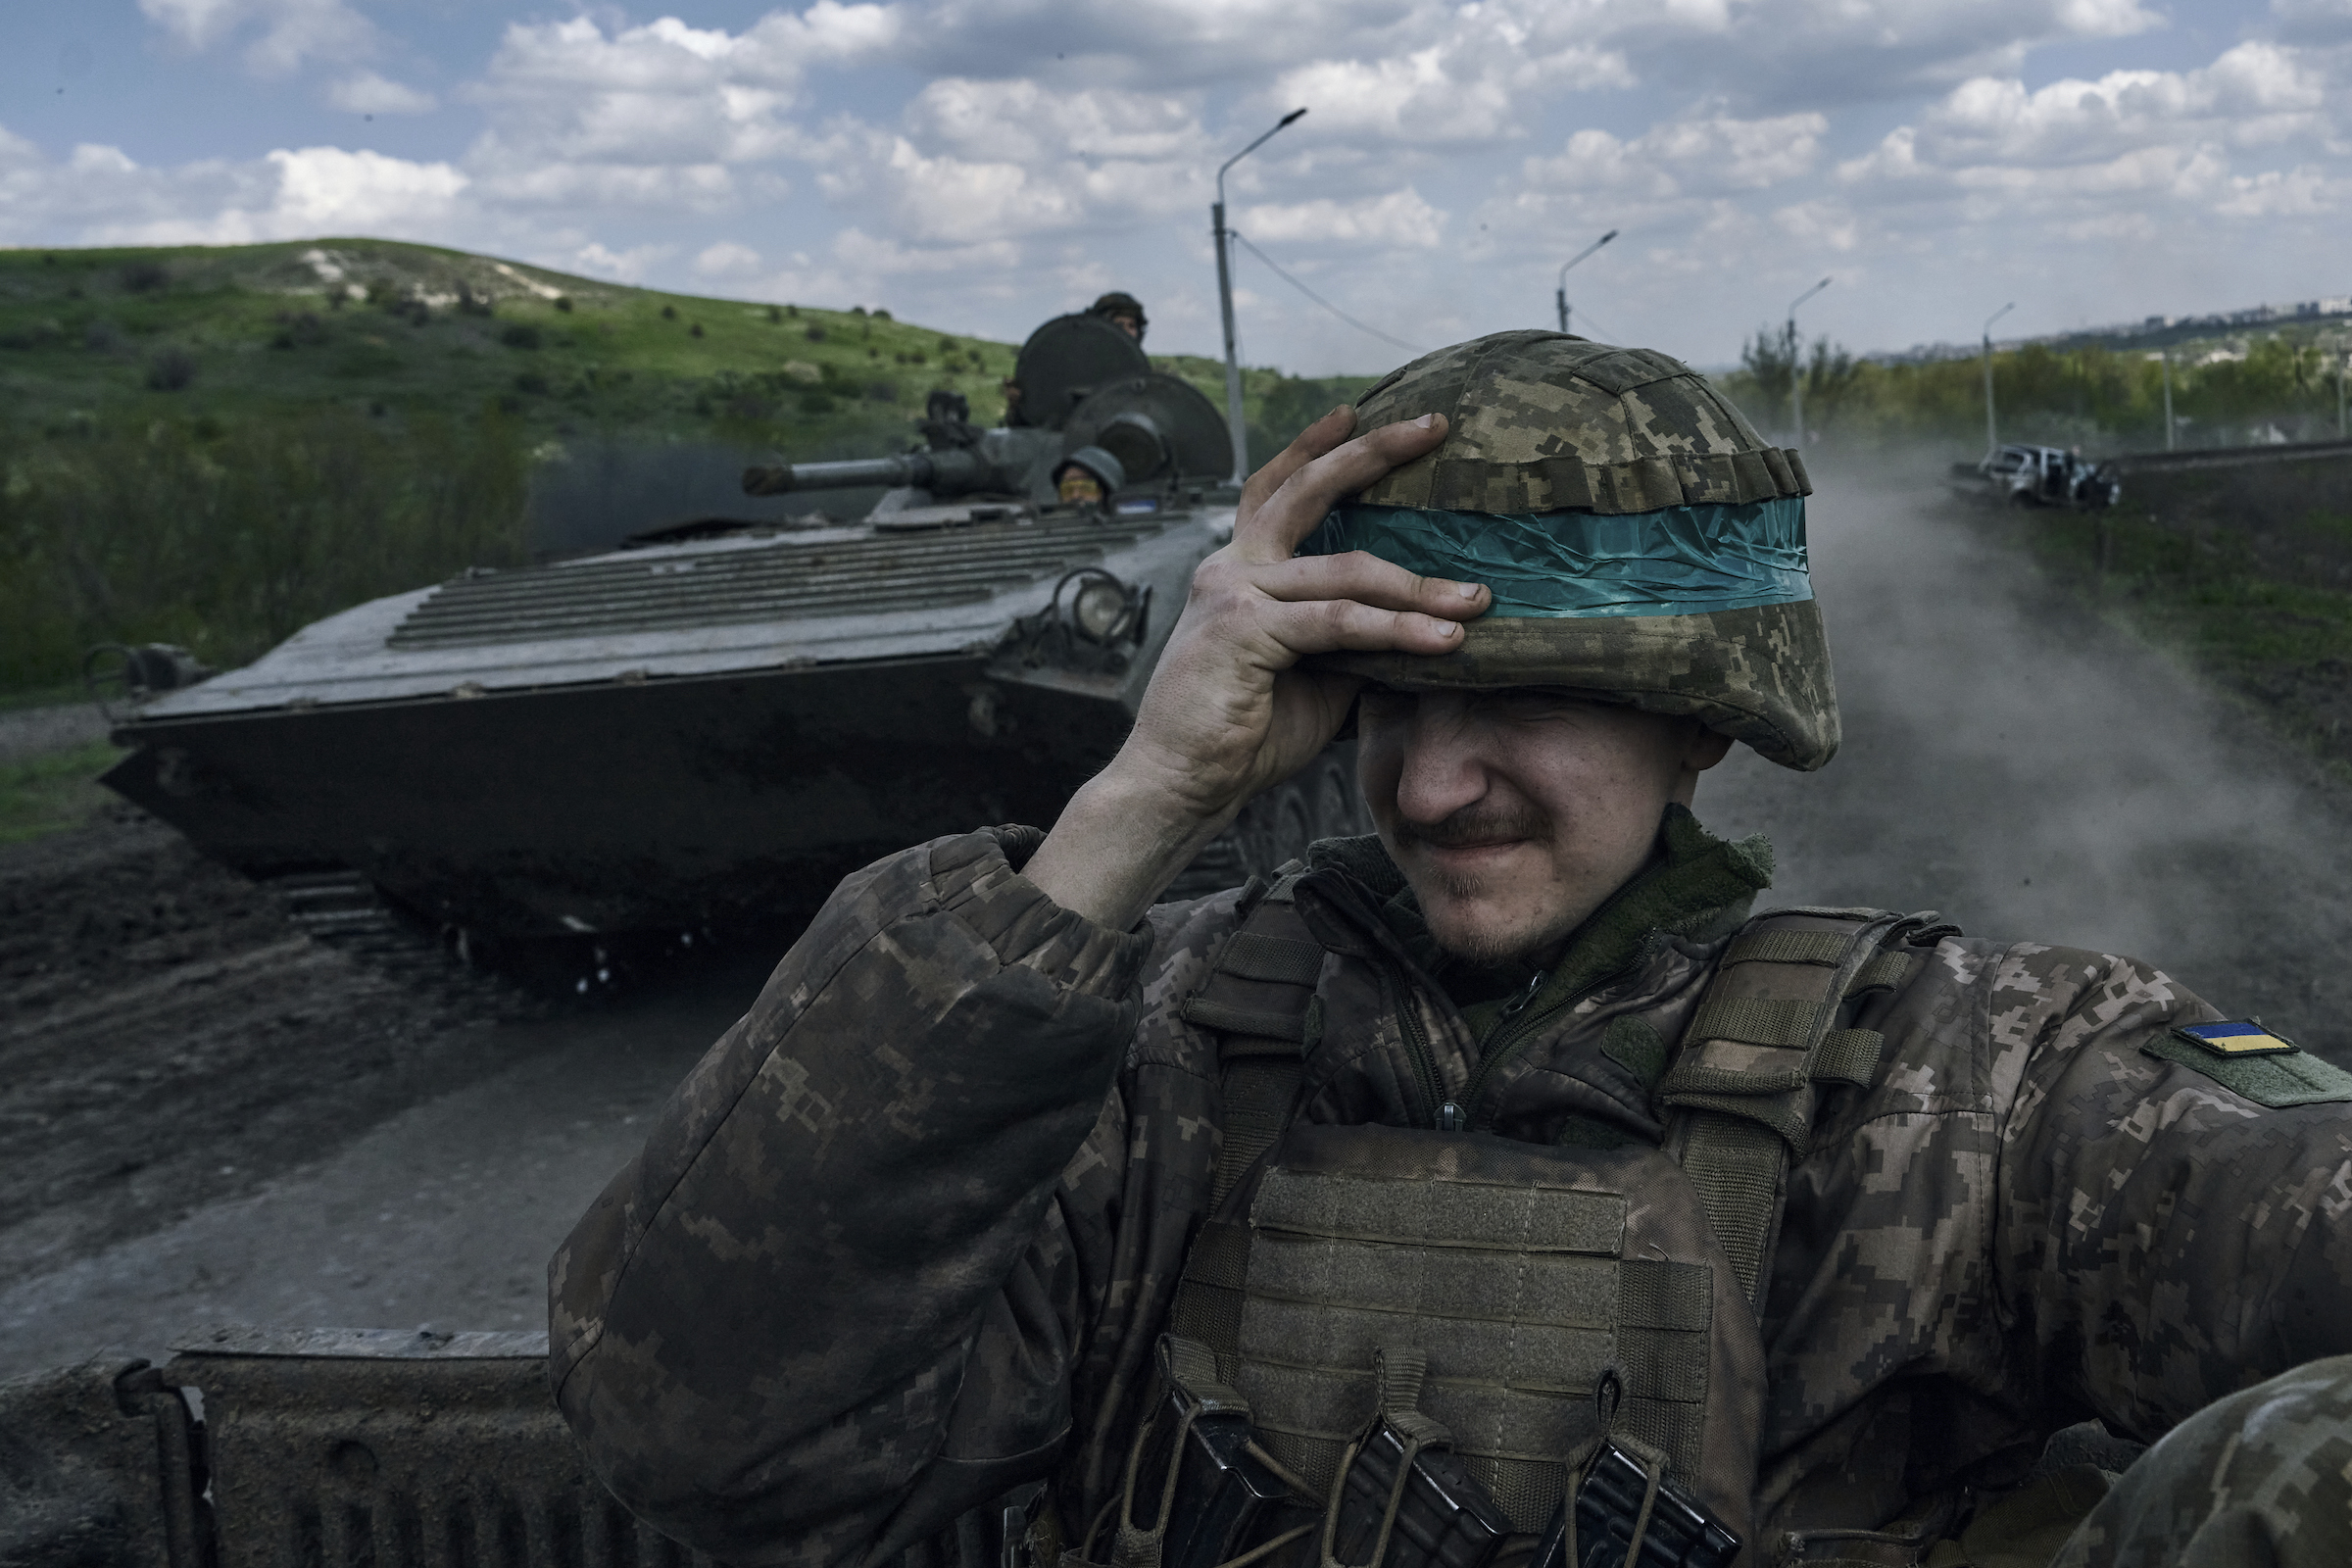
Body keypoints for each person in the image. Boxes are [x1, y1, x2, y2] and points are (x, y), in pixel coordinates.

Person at [548, 332, 2352, 1568]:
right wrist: (1138, 802)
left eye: (1533, 704)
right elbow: (700, 1435)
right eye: (1382, 699)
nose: (1431, 783)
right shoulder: (1144, 1048)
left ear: (1703, 724)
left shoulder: (1974, 1082)